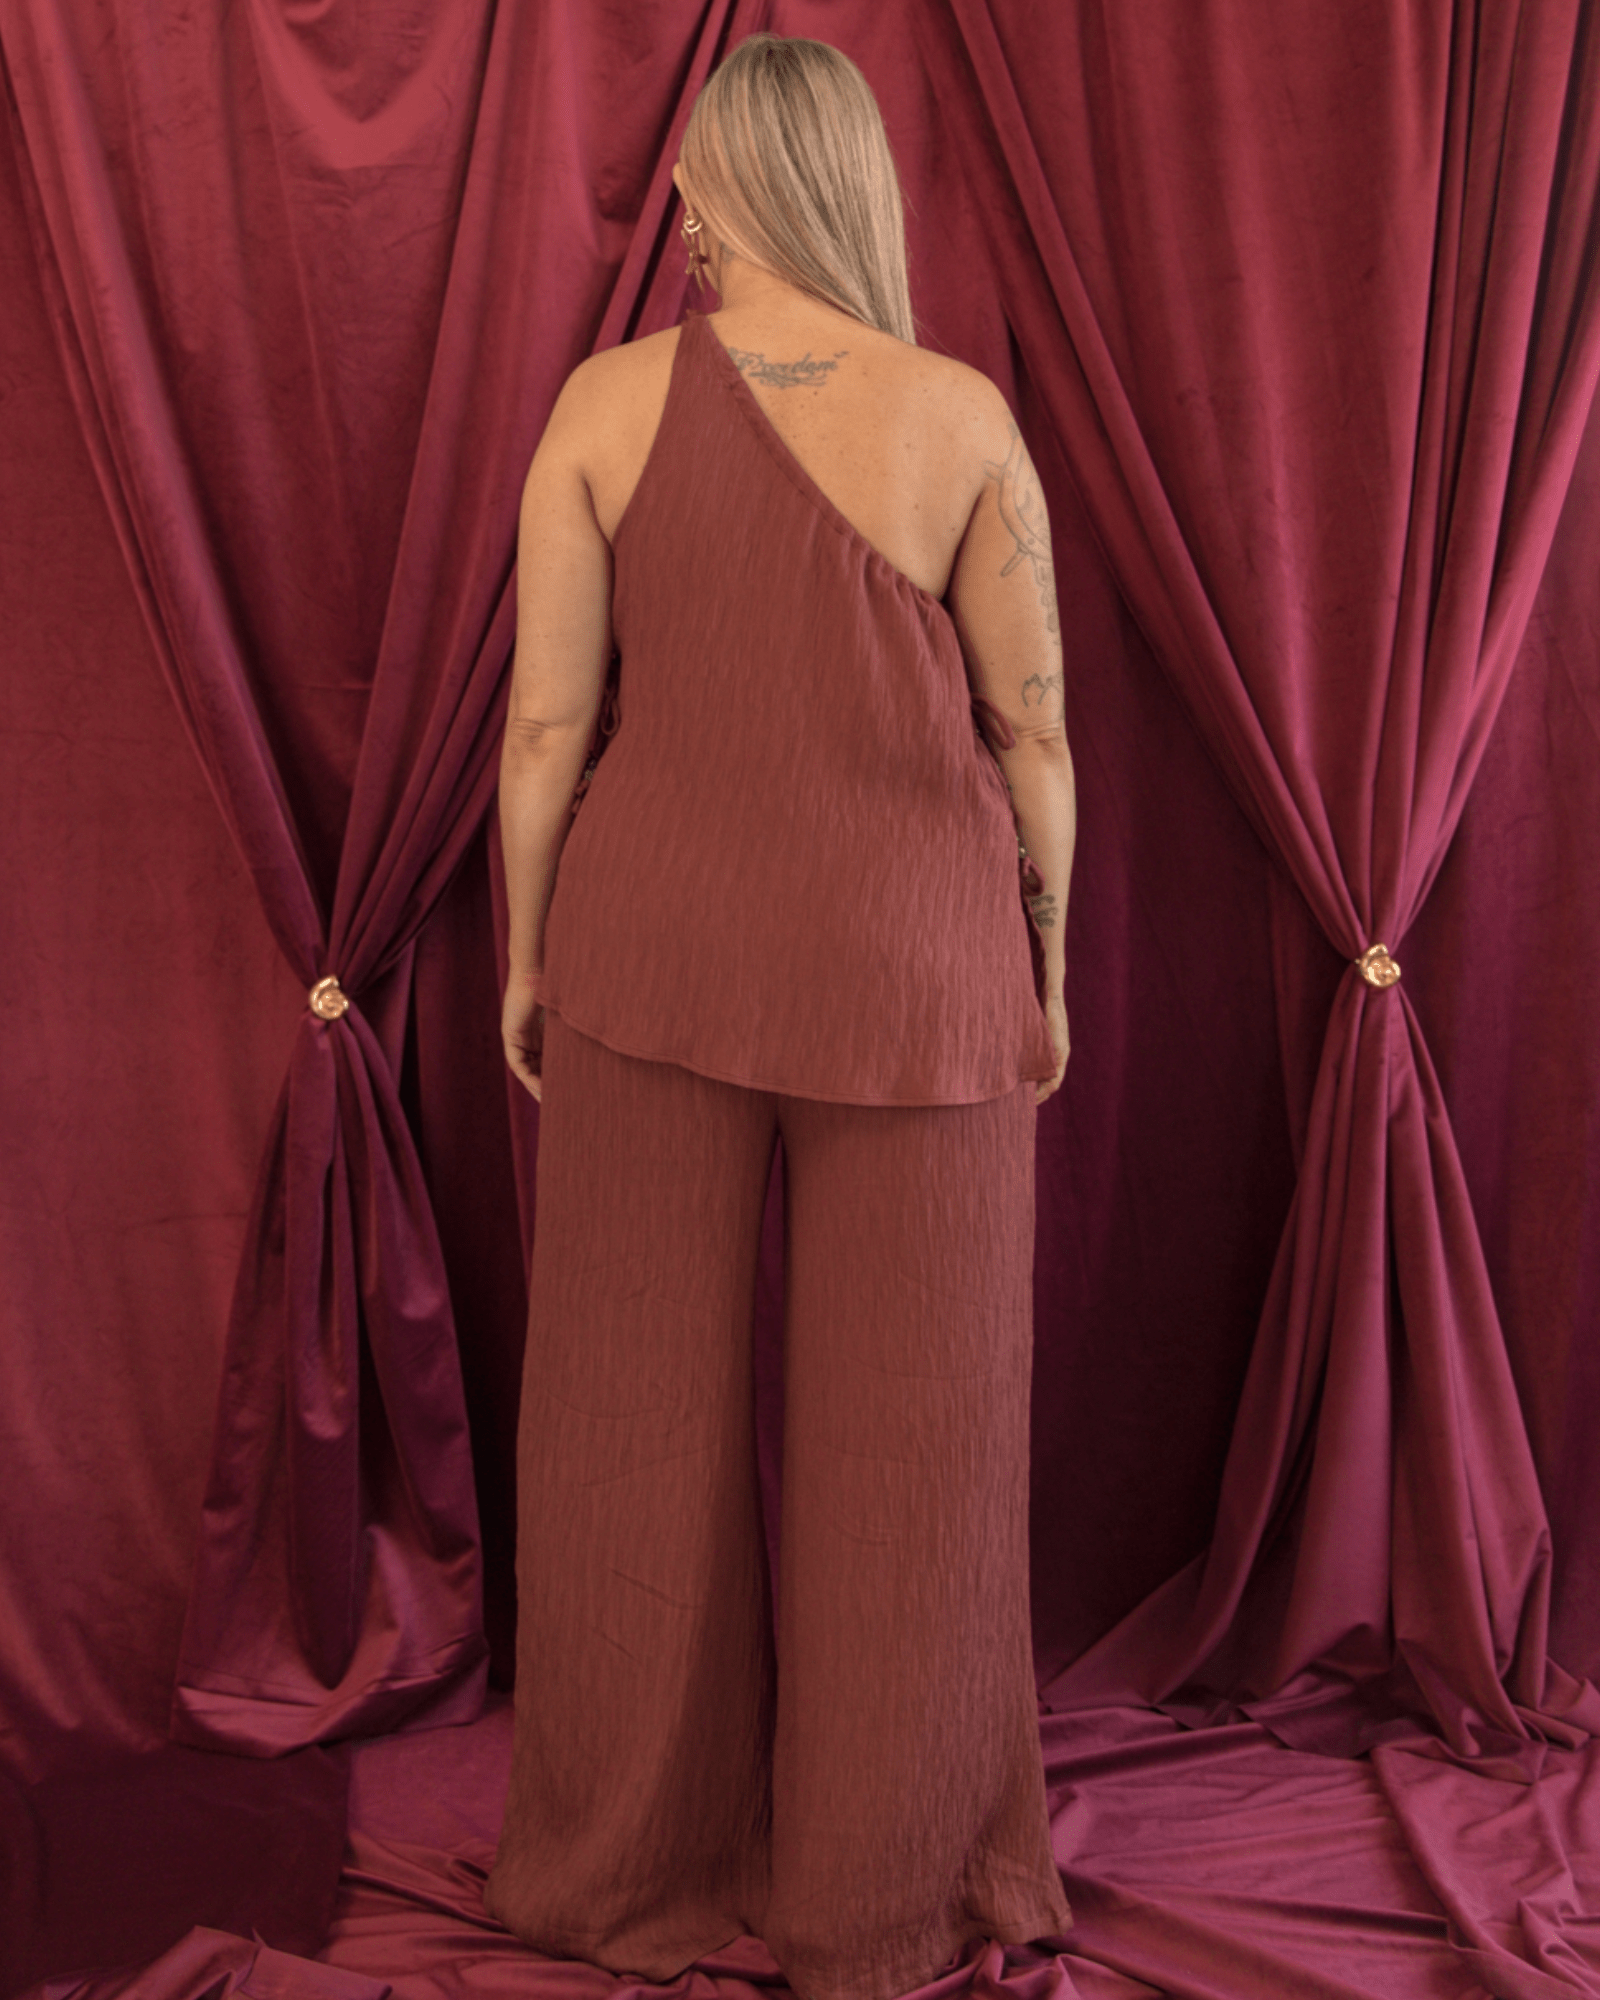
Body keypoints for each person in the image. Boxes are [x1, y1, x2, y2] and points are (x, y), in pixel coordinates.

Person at [482, 32, 1077, 2000]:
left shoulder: (603, 406)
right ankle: (884, 1903)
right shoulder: (961, 418)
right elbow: (1035, 735)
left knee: (619, 1427)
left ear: (705, 189)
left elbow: (549, 727)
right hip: (917, 971)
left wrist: (525, 955)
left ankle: (610, 1877)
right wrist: (1044, 962)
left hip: (652, 955)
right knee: (922, 1446)